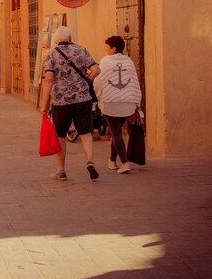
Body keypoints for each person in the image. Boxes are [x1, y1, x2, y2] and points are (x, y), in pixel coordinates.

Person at [38, 26, 101, 181]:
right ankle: (90, 161)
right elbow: (96, 69)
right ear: (70, 38)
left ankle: (61, 171)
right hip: (82, 99)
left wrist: (44, 104)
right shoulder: (81, 50)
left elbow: (49, 79)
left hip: (61, 101)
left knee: (60, 136)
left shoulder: (51, 55)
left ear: (56, 40)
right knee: (86, 133)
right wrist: (87, 81)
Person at [94, 35, 142, 174]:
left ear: (113, 48)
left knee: (115, 132)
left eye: (107, 48)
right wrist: (136, 101)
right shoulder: (129, 62)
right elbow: (134, 81)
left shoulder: (105, 61)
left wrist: (97, 97)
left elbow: (98, 81)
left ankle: (125, 162)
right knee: (116, 132)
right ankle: (112, 161)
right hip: (127, 103)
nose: (106, 51)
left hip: (111, 102)